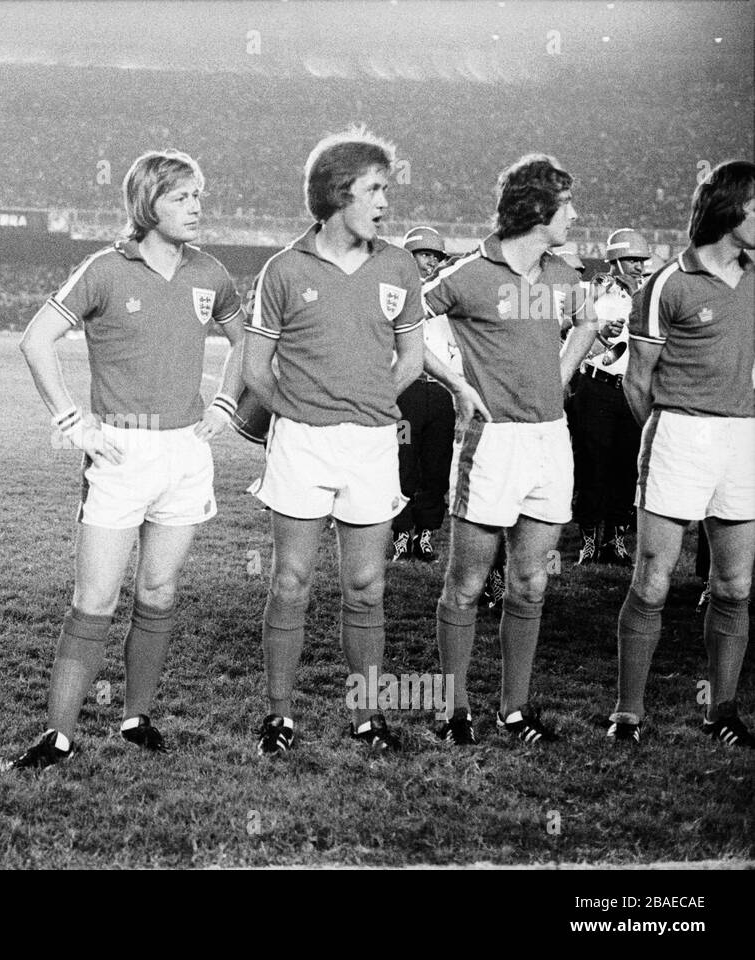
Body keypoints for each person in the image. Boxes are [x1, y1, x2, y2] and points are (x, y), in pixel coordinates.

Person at [10, 149, 245, 768]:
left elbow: (246, 342)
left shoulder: (211, 273)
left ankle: (136, 718)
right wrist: (71, 422)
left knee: (160, 589)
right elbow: (36, 340)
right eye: (181, 198)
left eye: (198, 196)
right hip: (120, 450)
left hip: (187, 450)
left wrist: (225, 404)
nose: (196, 208)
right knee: (95, 599)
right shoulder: (104, 269)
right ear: (147, 204)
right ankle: (57, 734)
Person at [242, 128, 462, 755]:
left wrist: (368, 408)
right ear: (339, 193)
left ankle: (368, 713)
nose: (385, 202)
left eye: (385, 190)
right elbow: (257, 370)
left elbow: (412, 358)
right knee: (289, 581)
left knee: (367, 585)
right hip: (300, 445)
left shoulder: (397, 265)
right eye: (374, 190)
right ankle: (278, 717)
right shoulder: (282, 268)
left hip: (370, 445)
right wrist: (304, 415)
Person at [420, 154, 599, 745]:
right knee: (467, 584)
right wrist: (456, 383)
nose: (574, 214)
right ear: (539, 208)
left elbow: (587, 324)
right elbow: (401, 320)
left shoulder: (565, 276)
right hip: (490, 442)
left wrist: (563, 371)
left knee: (531, 583)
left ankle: (514, 710)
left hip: (551, 439)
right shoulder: (468, 274)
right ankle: (452, 711)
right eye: (567, 204)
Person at [607, 159, 755, 747]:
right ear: (730, 211)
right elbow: (636, 381)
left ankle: (721, 711)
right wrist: (665, 436)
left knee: (736, 586)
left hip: (743, 439)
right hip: (677, 435)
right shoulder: (668, 283)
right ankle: (628, 712)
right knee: (651, 581)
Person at [568, 228, 652, 566]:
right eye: (631, 259)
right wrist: (599, 335)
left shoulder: (650, 296)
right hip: (596, 387)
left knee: (626, 466)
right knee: (592, 463)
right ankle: (589, 539)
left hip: (632, 389)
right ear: (615, 261)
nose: (637, 266)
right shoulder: (592, 292)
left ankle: (615, 539)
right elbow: (568, 340)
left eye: (641, 260)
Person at [391, 226, 455, 563]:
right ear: (410, 256)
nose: (431, 262)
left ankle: (426, 532)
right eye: (425, 255)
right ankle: (401, 532)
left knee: (436, 463)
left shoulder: (450, 290)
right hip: (406, 391)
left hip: (442, 393)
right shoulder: (394, 292)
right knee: (403, 459)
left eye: (436, 257)